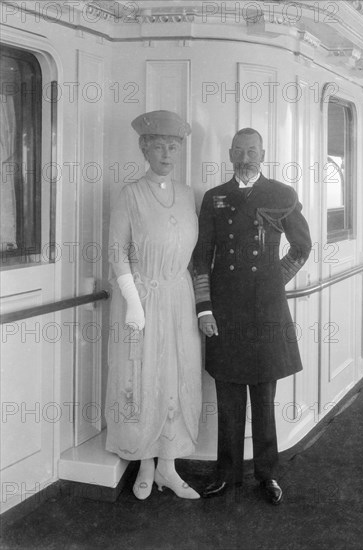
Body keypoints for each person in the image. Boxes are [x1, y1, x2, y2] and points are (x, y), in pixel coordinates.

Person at [193, 128, 312, 504]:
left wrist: (275, 280)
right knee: (228, 399)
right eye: (239, 151)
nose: (246, 158)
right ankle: (225, 474)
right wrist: (204, 308)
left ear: (263, 152)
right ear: (230, 154)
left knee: (264, 397)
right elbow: (201, 258)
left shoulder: (281, 195)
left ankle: (267, 475)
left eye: (252, 151)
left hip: (265, 309)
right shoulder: (215, 198)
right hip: (225, 309)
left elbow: (302, 246)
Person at [105, 110, 202, 500]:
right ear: (144, 148)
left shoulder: (188, 193)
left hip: (179, 298)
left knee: (177, 374)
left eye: (173, 145)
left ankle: (169, 467)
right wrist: (132, 301)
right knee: (141, 376)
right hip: (141, 299)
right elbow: (116, 252)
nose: (166, 152)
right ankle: (144, 462)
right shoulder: (130, 193)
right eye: (158, 145)